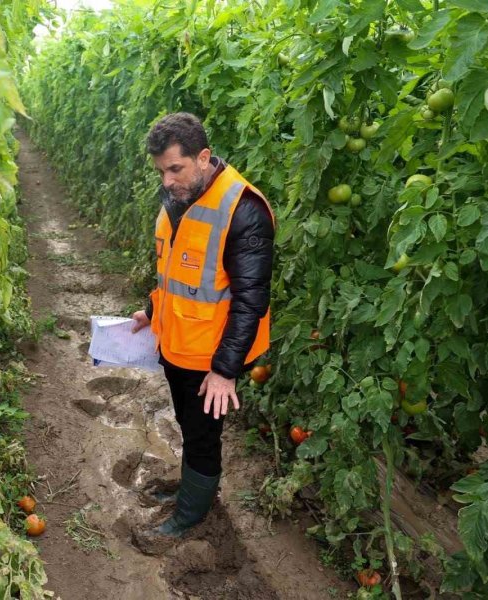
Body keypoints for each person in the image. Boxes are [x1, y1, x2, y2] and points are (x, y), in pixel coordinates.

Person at [130, 112, 275, 553]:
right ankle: (190, 490)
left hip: (211, 354)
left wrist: (225, 370)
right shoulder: (179, 197)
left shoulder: (243, 209)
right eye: (161, 171)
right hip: (177, 342)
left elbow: (251, 300)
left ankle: (192, 514)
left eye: (176, 168)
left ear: (204, 157)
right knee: (188, 424)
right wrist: (151, 311)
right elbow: (176, 272)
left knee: (202, 435)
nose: (168, 180)